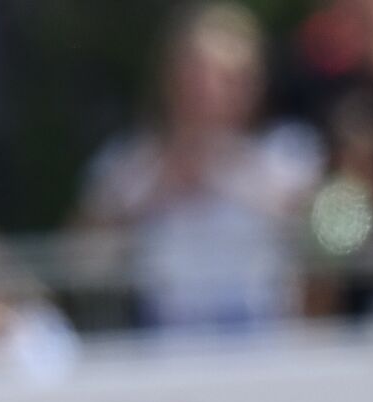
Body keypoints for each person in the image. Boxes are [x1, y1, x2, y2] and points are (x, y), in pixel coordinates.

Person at [74, 2, 324, 332]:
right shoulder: (129, 162)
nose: (207, 90)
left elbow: (338, 240)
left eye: (227, 77)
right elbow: (79, 263)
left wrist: (245, 182)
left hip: (267, 343)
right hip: (164, 347)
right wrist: (155, 193)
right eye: (197, 74)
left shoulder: (290, 153)